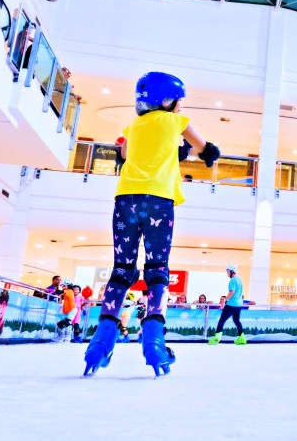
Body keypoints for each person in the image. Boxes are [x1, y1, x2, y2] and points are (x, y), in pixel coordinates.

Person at [83, 71, 220, 377]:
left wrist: (173, 151)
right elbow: (202, 146)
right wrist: (209, 154)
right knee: (157, 269)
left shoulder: (133, 125)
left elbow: (127, 154)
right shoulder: (175, 122)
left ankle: (100, 344)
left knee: (122, 271)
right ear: (167, 101)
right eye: (179, 100)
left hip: (125, 201)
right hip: (158, 202)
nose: (181, 106)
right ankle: (154, 343)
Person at [208, 264, 246, 345]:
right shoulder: (239, 279)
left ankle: (216, 338)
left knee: (222, 320)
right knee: (236, 320)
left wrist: (225, 300)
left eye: (228, 271)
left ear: (232, 271)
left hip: (231, 304)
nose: (227, 273)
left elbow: (232, 291)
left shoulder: (232, 280)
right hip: (239, 304)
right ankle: (242, 338)